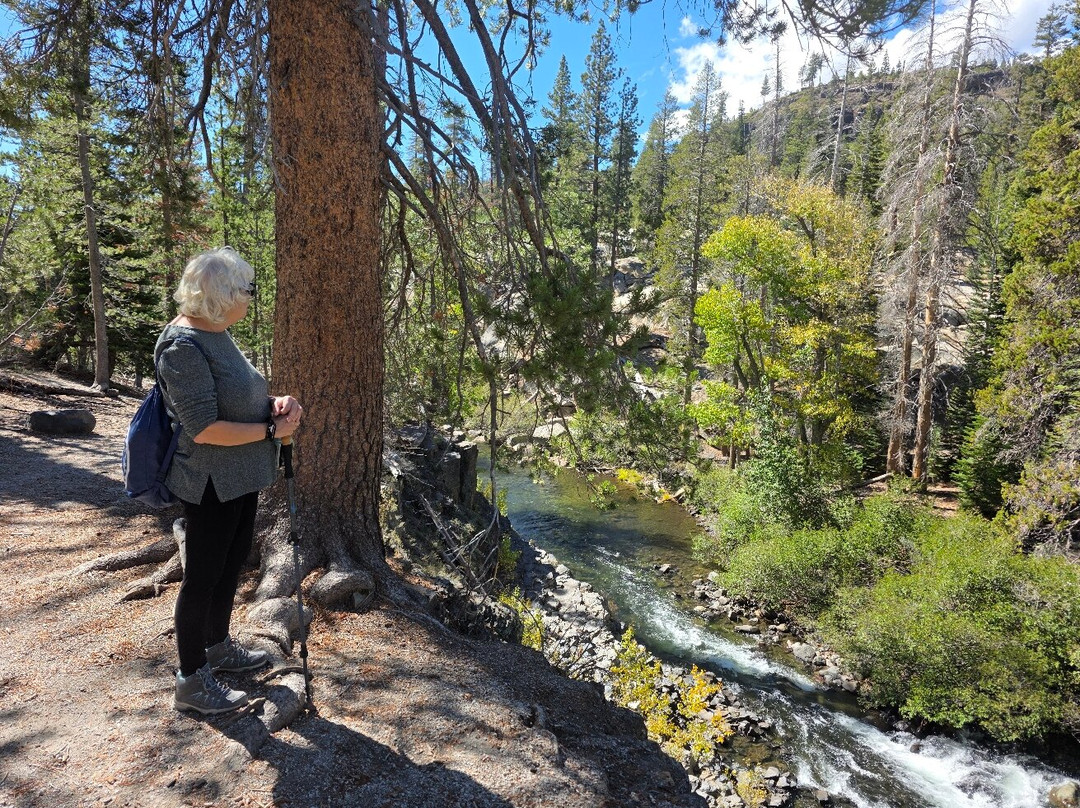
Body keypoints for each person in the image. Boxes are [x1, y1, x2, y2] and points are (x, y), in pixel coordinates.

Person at [155, 247, 303, 714]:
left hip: (241, 476)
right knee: (201, 577)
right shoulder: (183, 346)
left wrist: (276, 403)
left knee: (230, 565)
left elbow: (237, 395)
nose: (252, 298)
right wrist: (269, 431)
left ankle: (218, 647)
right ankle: (191, 681)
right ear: (223, 295)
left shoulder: (216, 332)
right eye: (248, 290)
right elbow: (203, 427)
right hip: (210, 482)